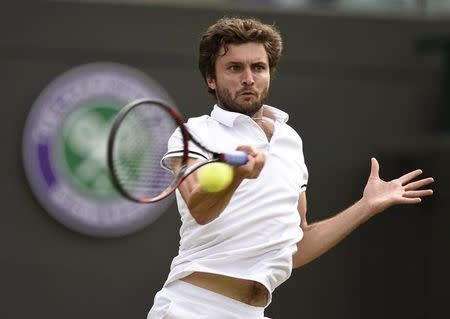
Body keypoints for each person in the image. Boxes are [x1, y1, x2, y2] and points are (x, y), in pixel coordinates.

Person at [147, 17, 434, 319]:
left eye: (258, 67)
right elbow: (200, 208)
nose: (248, 78)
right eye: (234, 68)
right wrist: (236, 175)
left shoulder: (289, 140)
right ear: (211, 78)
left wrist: (365, 206)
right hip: (193, 308)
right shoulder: (193, 134)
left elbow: (297, 246)